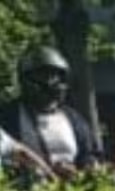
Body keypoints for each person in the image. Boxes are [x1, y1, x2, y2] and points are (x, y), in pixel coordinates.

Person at [0, 46, 103, 182]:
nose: (48, 82)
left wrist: (80, 172)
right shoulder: (8, 115)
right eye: (41, 76)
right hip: (26, 184)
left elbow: (89, 156)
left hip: (73, 185)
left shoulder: (74, 119)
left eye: (53, 76)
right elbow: (10, 154)